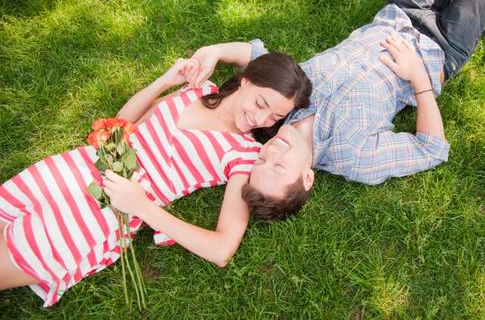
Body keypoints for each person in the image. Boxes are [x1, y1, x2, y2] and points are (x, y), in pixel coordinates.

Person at [186, 0, 485, 219]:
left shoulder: (280, 108)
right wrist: (419, 79)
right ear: (306, 178)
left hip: (402, 11)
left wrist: (214, 51)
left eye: (263, 159)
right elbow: (431, 149)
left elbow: (256, 55)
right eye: (279, 167)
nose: (273, 152)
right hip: (442, 48)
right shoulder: (354, 156)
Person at [0, 52, 312, 306]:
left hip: (101, 212)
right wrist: (164, 82)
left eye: (273, 118)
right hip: (70, 168)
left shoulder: (244, 154)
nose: (260, 120)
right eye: (260, 104)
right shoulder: (201, 91)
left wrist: (143, 207)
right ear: (245, 81)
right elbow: (123, 125)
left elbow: (222, 249)